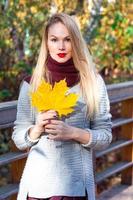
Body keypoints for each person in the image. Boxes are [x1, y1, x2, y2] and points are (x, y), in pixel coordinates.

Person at [12, 13, 112, 200]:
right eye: (54, 39)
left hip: (76, 190)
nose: (61, 46)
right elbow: (19, 139)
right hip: (36, 189)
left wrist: (73, 133)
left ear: (76, 42)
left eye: (67, 39)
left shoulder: (93, 83)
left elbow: (105, 136)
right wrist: (36, 129)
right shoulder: (31, 85)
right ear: (46, 43)